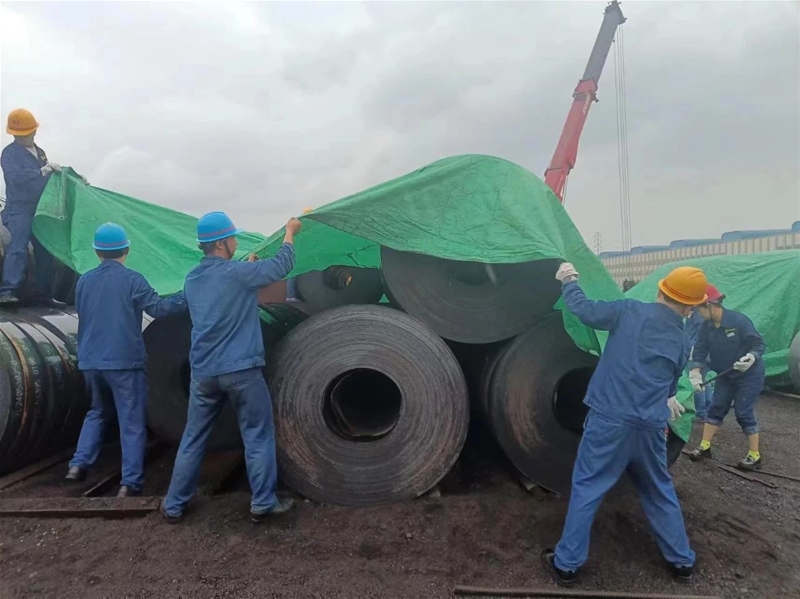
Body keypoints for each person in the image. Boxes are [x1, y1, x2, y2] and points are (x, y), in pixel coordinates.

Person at [541, 263, 708, 588]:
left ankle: (567, 565)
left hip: (609, 422)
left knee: (588, 487)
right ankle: (682, 562)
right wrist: (668, 397)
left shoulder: (629, 311)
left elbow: (586, 311)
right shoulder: (681, 339)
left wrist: (570, 282)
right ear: (690, 307)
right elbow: (670, 379)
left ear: (660, 290)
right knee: (658, 490)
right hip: (650, 428)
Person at [161, 211, 301, 523]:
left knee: (193, 438)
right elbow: (281, 265)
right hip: (241, 371)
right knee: (257, 435)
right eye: (233, 238)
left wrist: (246, 267)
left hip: (204, 374)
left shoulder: (193, 279)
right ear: (222, 243)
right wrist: (290, 233)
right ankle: (263, 503)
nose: (236, 241)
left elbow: (223, 287)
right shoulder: (237, 274)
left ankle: (174, 505)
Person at [66, 223, 188, 496]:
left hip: (90, 360)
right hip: (123, 361)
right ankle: (130, 484)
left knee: (97, 411)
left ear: (97, 252)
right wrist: (188, 294)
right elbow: (158, 308)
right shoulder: (133, 280)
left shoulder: (84, 281)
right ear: (127, 249)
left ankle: (78, 464)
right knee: (131, 421)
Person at [0, 109, 87, 306]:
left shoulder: (40, 153)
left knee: (46, 251)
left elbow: (50, 181)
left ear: (34, 131)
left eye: (24, 134)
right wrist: (40, 172)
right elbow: (15, 178)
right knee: (18, 248)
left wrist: (74, 180)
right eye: (17, 135)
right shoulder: (9, 153)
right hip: (19, 209)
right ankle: (8, 291)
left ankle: (44, 295)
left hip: (39, 209)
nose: (20, 138)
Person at [686, 284, 766, 471]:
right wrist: (695, 373)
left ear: (710, 305)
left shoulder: (738, 321)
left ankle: (755, 456)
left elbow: (758, 343)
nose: (698, 313)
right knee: (716, 408)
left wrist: (751, 357)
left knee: (743, 412)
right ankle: (704, 447)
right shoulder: (706, 327)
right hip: (726, 374)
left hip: (749, 375)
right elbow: (699, 351)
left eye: (699, 309)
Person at [684, 307, 713, 420]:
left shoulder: (698, 315)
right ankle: (708, 409)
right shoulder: (702, 314)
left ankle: (701, 412)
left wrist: (690, 347)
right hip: (704, 353)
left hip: (696, 353)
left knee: (695, 381)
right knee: (703, 380)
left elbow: (700, 335)